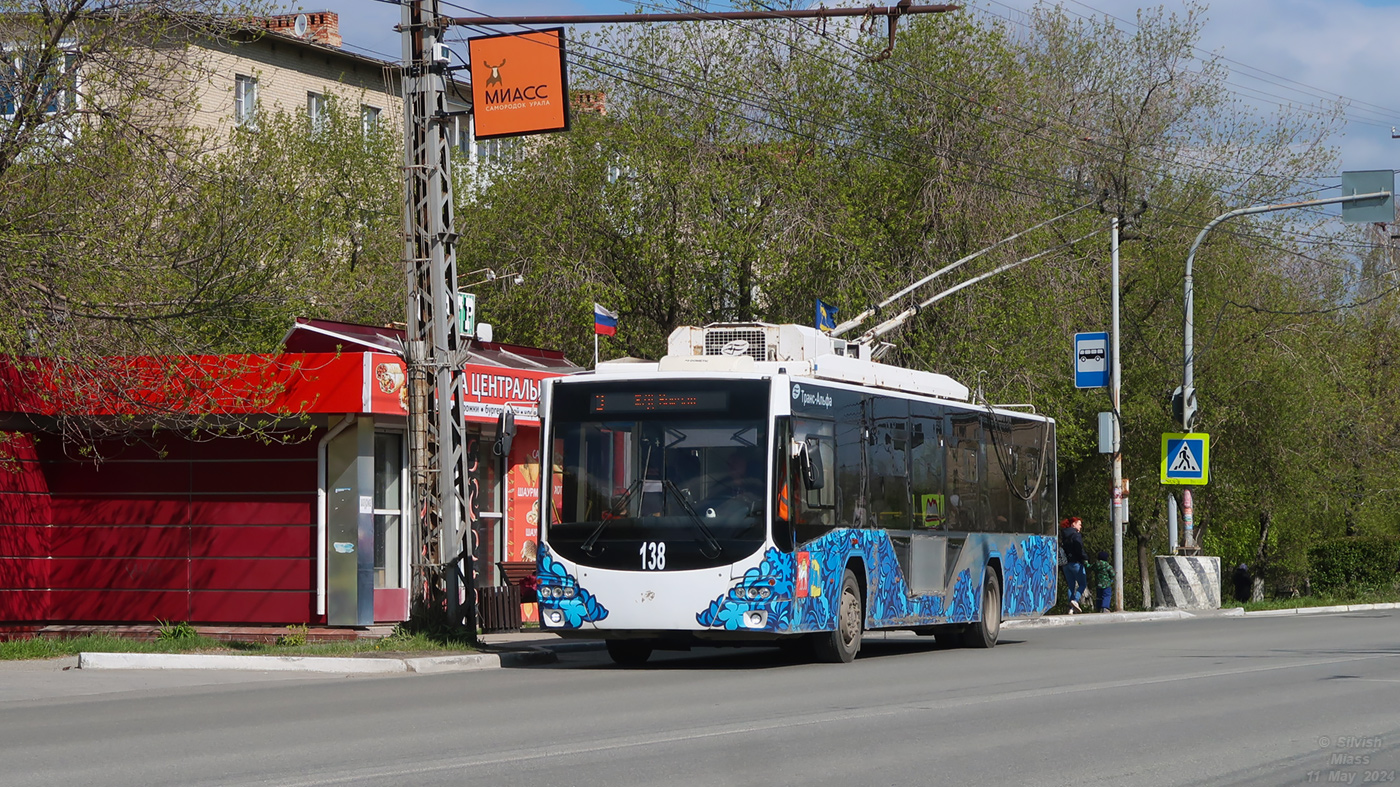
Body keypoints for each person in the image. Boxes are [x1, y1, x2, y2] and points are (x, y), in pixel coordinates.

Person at [1059, 516, 1088, 613]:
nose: (1081, 526)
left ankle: (1070, 608)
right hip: (1076, 563)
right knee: (1082, 584)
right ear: (1073, 524)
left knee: (1071, 586)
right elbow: (1079, 548)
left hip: (1066, 564)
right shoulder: (1076, 535)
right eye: (1079, 524)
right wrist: (1085, 558)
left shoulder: (1064, 535)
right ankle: (1075, 601)